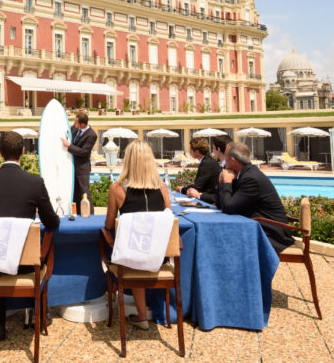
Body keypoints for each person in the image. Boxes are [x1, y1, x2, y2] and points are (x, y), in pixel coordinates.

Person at [0, 131, 60, 341]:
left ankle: (0, 323)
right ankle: (35, 313)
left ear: (0, 153)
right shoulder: (35, 182)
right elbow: (52, 222)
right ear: (23, 151)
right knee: (36, 253)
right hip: (26, 264)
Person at [105, 140, 171, 329]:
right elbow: (167, 219)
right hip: (159, 256)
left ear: (128, 161)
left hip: (133, 257)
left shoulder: (117, 189)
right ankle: (156, 311)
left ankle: (142, 315)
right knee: (144, 249)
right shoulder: (162, 188)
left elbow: (109, 224)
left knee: (135, 250)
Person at [215, 142, 294, 253]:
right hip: (258, 226)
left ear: (233, 161)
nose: (222, 161)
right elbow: (221, 205)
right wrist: (222, 182)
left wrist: (227, 183)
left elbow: (228, 208)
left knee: (222, 240)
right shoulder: (242, 174)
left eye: (225, 158)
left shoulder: (250, 179)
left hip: (272, 234)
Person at [61, 110, 97, 215]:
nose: (74, 124)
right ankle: (77, 214)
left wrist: (69, 146)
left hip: (82, 168)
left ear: (82, 124)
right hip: (72, 167)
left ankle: (90, 216)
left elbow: (84, 152)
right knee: (75, 193)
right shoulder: (75, 128)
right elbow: (65, 133)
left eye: (76, 122)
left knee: (84, 192)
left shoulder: (92, 135)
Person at [174, 137, 221, 204]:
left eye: (191, 149)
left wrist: (181, 189)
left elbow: (198, 186)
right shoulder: (207, 161)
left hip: (210, 201)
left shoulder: (206, 163)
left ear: (197, 151)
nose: (189, 151)